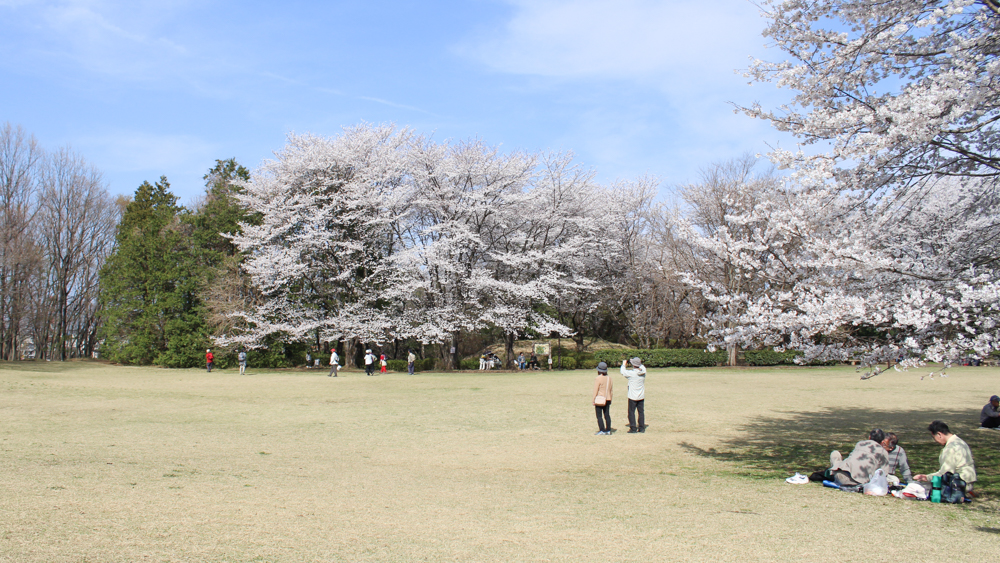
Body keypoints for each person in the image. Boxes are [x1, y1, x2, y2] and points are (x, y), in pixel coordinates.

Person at [914, 420, 977, 494]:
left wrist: (926, 478)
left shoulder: (950, 448)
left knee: (917, 487)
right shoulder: (960, 442)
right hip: (967, 481)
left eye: (934, 437)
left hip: (958, 484)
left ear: (939, 434)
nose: (935, 441)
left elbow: (945, 473)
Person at [621, 357, 646, 433]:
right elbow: (642, 367)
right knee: (641, 412)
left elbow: (623, 372)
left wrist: (624, 364)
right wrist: (638, 362)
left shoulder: (631, 373)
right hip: (641, 396)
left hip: (632, 396)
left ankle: (633, 428)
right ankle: (641, 428)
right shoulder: (643, 372)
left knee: (631, 412)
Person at [592, 361, 614, 435]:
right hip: (608, 398)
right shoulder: (609, 378)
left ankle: (602, 430)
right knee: (607, 415)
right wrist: (611, 398)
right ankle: (608, 429)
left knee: (599, 416)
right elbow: (611, 390)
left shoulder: (598, 378)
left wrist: (593, 400)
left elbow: (595, 390)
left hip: (600, 399)